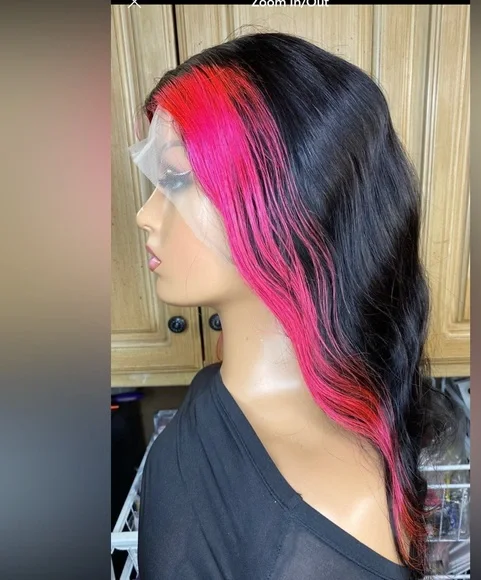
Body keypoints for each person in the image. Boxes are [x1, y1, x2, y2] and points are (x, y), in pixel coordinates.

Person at [130, 32, 449, 580]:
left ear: (288, 206)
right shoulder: (204, 428)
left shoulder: (334, 508)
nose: (144, 214)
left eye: (178, 178)